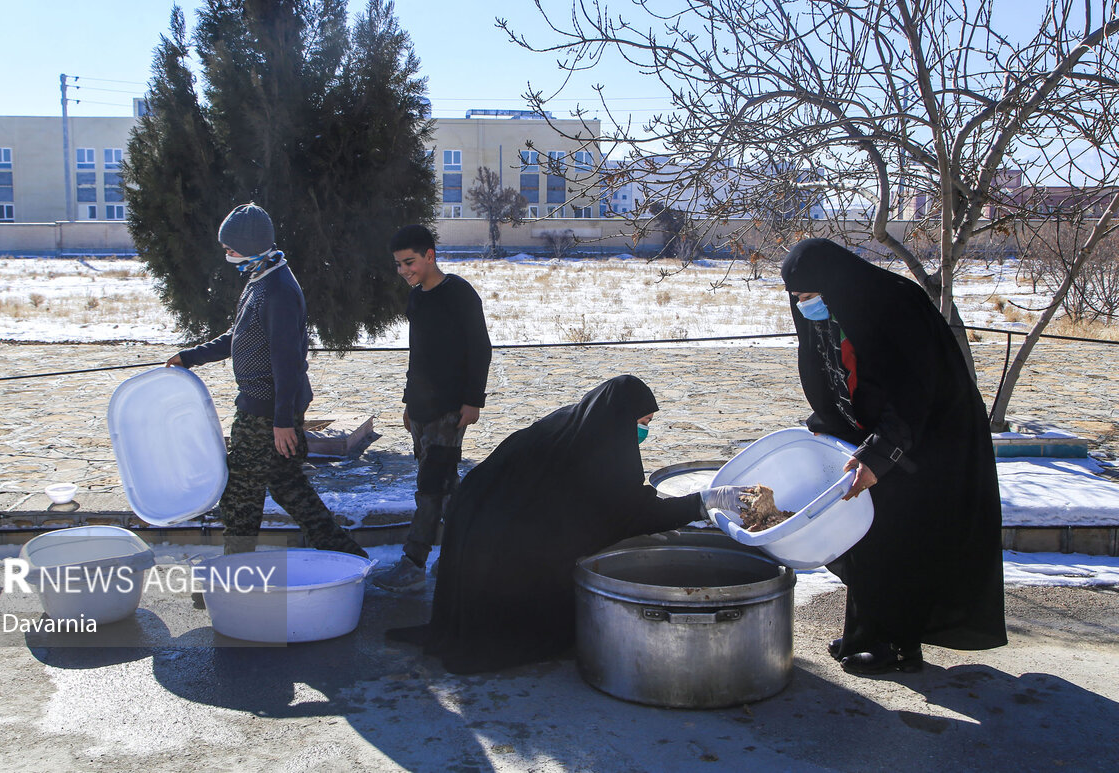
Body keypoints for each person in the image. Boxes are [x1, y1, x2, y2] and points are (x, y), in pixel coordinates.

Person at [387, 375, 732, 674]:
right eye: (643, 421)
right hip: (495, 539)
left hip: (475, 520)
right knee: (557, 604)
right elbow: (630, 511)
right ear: (621, 417)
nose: (644, 431)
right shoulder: (595, 448)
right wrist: (702, 503)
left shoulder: (575, 426)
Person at [780, 238, 1006, 675]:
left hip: (930, 443)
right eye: (797, 299)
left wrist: (880, 455)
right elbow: (838, 378)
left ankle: (900, 647)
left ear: (835, 283)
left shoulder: (894, 305)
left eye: (808, 296)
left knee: (900, 540)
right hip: (882, 438)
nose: (803, 306)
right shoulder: (840, 311)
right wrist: (829, 427)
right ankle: (864, 636)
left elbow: (912, 392)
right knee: (866, 538)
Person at [167, 203, 365, 560]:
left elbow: (286, 363)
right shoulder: (260, 278)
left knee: (240, 497)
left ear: (251, 243)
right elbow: (238, 336)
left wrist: (282, 421)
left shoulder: (277, 290)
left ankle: (234, 573)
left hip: (264, 414)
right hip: (266, 411)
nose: (226, 251)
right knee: (291, 490)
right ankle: (348, 557)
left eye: (231, 245)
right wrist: (190, 357)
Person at [371, 225, 492, 592]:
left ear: (430, 255)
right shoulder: (416, 299)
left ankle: (412, 564)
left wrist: (473, 401)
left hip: (450, 408)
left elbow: (480, 349)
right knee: (446, 484)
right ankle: (460, 556)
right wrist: (409, 403)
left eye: (409, 262)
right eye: (397, 265)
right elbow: (418, 355)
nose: (403, 270)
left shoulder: (458, 293)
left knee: (429, 486)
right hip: (421, 409)